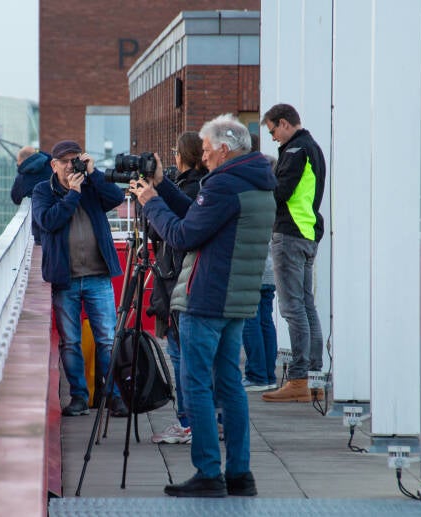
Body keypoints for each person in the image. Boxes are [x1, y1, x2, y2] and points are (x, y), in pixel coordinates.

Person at [129, 114, 276, 498]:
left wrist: (149, 203)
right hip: (235, 300)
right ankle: (240, 474)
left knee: (195, 385)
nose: (204, 157)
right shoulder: (256, 181)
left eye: (208, 151)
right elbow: (200, 215)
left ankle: (209, 472)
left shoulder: (225, 185)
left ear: (224, 149)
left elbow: (182, 234)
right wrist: (161, 187)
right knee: (229, 385)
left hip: (207, 298)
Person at [32, 139, 128, 417]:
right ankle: (78, 397)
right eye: (64, 161)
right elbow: (48, 221)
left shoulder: (91, 185)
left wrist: (93, 174)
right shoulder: (43, 191)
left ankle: (113, 395)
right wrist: (72, 194)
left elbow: (116, 198)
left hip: (98, 275)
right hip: (66, 279)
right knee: (71, 341)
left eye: (75, 160)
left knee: (107, 339)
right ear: (54, 165)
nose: (70, 166)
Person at [259, 104, 326, 403]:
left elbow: (279, 192)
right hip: (308, 233)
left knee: (292, 308)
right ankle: (314, 378)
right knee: (306, 306)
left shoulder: (295, 150)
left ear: (284, 124)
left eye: (273, 130)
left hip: (290, 234)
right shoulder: (314, 148)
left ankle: (299, 378)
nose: (273, 138)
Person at [147, 131, 208, 444]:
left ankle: (190, 423)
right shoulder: (204, 185)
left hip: (179, 278)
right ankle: (205, 421)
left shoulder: (200, 188)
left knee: (182, 355)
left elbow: (174, 231)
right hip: (181, 277)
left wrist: (152, 203)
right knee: (194, 356)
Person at [241, 147, 279, 392]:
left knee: (250, 321)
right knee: (266, 320)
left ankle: (256, 374)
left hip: (252, 267)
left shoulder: (252, 195)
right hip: (269, 268)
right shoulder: (275, 195)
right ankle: (268, 374)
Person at [11, 146, 52, 245]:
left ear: (22, 160)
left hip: (40, 228)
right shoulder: (52, 166)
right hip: (59, 221)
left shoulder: (22, 177)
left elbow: (15, 198)